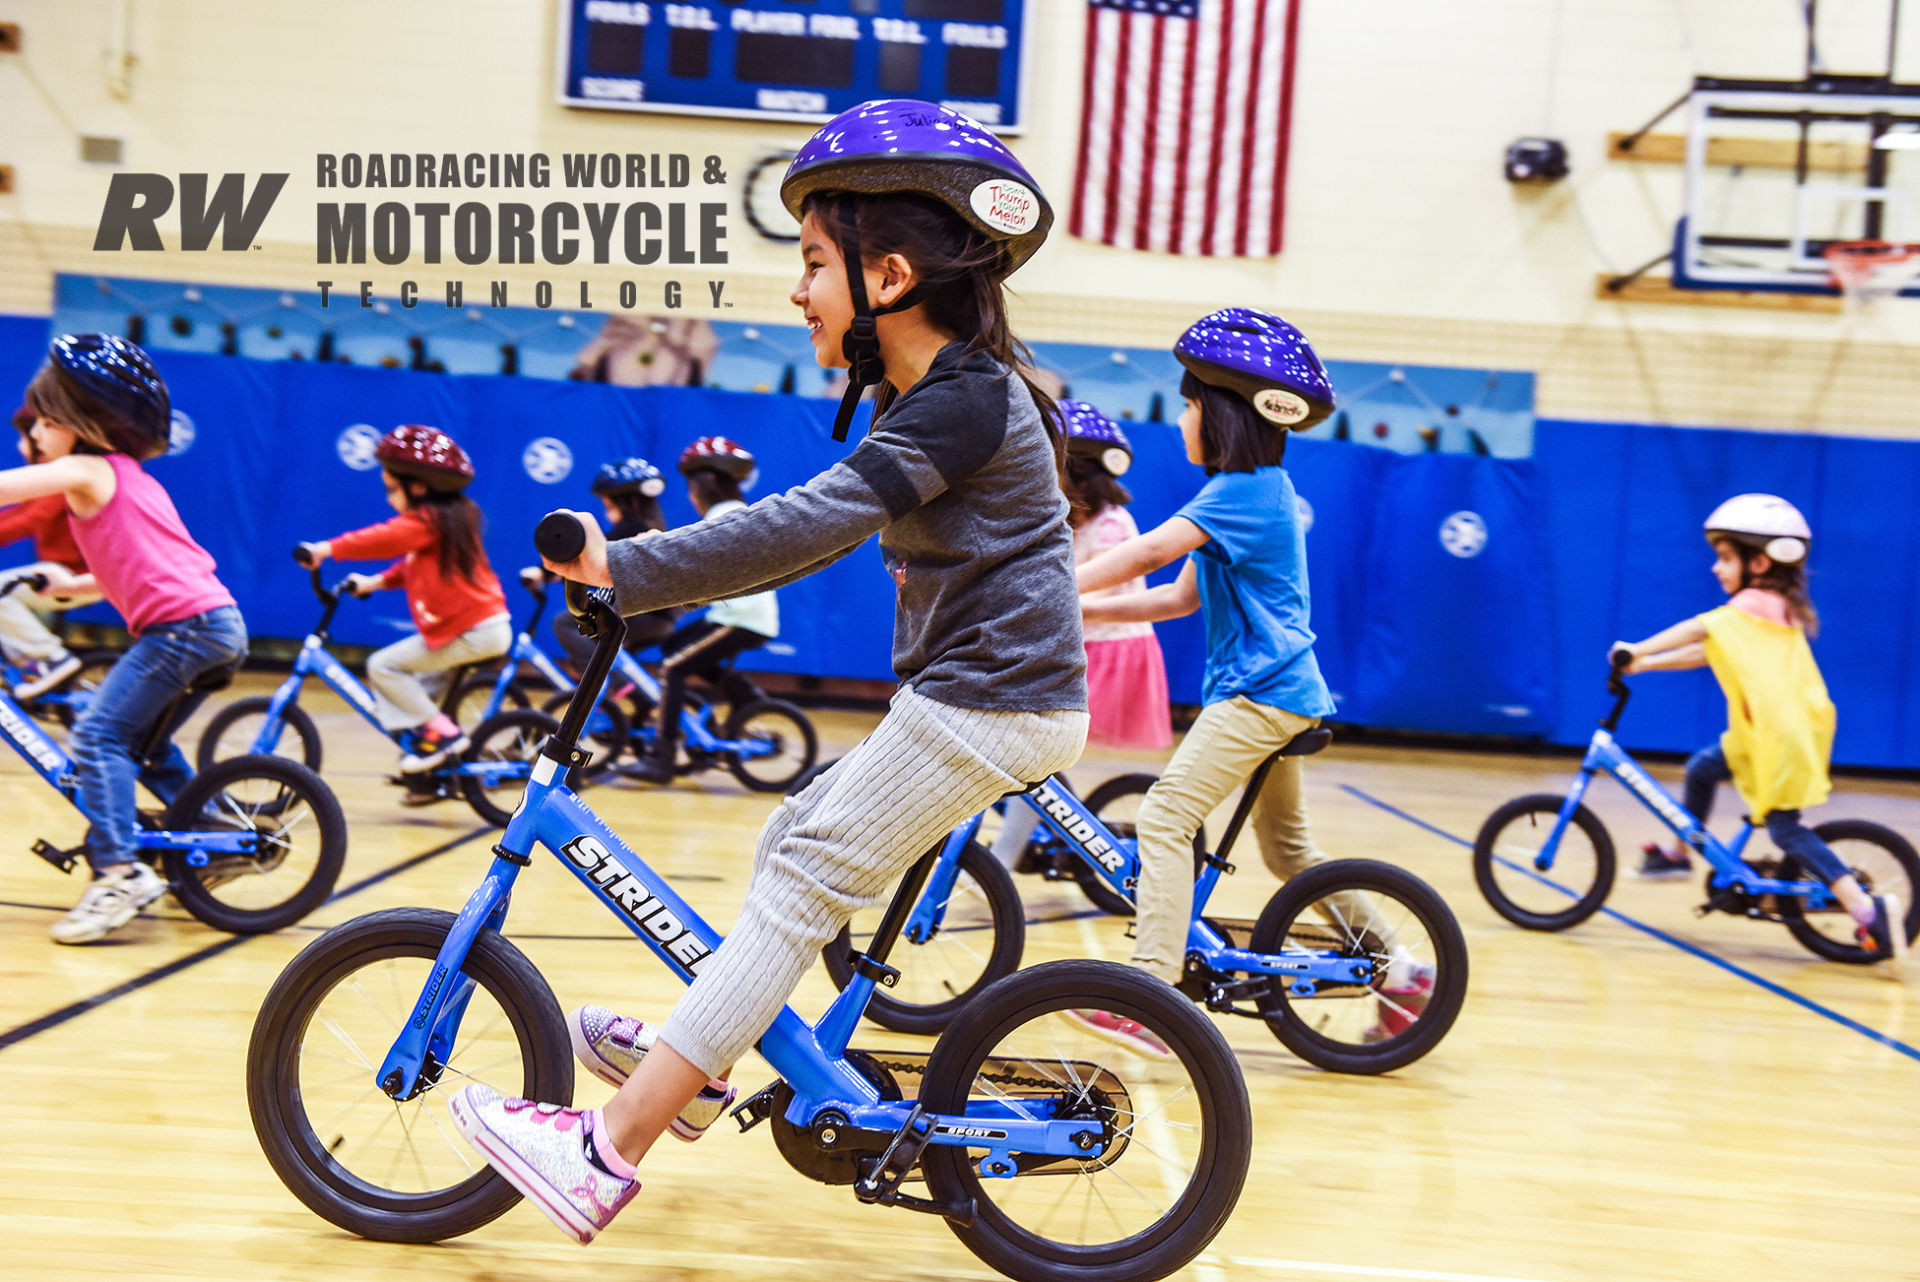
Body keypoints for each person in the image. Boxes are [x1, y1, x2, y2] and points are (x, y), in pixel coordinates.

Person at [447, 98, 1088, 1244]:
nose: (797, 292)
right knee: (787, 838)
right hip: (986, 695)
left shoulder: (969, 396)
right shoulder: (938, 394)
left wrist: (623, 567)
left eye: (811, 265)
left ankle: (605, 1148)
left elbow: (816, 520)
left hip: (992, 699)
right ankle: (705, 1055)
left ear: (888, 276)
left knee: (799, 885)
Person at [1072, 308, 1422, 1053]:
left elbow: (1147, 554)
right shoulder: (1246, 494)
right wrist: (1078, 605)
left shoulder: (1244, 493)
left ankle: (1153, 1000)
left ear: (1223, 414)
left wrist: (1050, 586)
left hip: (1260, 696)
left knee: (1165, 818)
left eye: (1190, 404)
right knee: (1287, 852)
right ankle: (1400, 970)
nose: (1181, 419)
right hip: (1280, 693)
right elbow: (1175, 597)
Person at [0, 334, 247, 943]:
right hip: (213, 621)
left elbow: (12, 488)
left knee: (97, 733)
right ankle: (212, 838)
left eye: (46, 420)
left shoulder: (84, 468)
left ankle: (119, 872)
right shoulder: (128, 478)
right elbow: (144, 570)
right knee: (146, 746)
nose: (37, 434)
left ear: (76, 422)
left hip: (184, 629)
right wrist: (72, 585)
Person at [1612, 494, 1905, 962]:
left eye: (1726, 558)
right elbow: (1707, 650)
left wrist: (1636, 646)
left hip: (1782, 736)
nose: (1715, 568)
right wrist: (1643, 665)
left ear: (1761, 560)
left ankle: (1865, 909)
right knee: (1703, 768)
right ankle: (1678, 853)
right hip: (1763, 734)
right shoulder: (1764, 610)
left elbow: (1698, 631)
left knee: (1785, 830)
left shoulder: (1756, 601)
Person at [990, 399, 1170, 868]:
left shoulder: (1111, 527)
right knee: (1033, 754)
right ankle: (1035, 831)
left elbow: (1072, 596)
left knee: (1035, 755)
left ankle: (1004, 858)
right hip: (1081, 646)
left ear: (1077, 472)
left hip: (1108, 652)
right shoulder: (1073, 519)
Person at [296, 425, 509, 782]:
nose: (388, 499)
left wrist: (326, 549)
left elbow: (386, 539)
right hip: (480, 626)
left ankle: (446, 739)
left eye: (392, 490)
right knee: (419, 695)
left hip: (472, 630)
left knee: (384, 667)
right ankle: (432, 776)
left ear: (419, 486)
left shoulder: (428, 521)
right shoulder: (449, 519)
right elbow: (411, 565)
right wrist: (375, 582)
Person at [624, 436, 781, 783]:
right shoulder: (732, 512)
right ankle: (747, 700)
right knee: (672, 646)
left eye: (689, 488)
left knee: (673, 668)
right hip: (735, 616)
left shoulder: (722, 515)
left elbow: (688, 560)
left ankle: (662, 757)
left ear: (706, 485)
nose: (688, 496)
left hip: (740, 619)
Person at [0, 404, 101, 699]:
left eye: (27, 435)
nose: (23, 443)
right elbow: (17, 514)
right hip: (63, 574)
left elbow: (28, 520)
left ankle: (49, 657)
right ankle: (28, 664)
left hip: (77, 577)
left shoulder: (65, 481)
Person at [541, 457, 677, 673]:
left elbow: (589, 556)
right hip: (658, 619)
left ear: (630, 503)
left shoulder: (632, 527)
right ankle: (634, 697)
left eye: (609, 506)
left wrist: (543, 573)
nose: (607, 514)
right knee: (603, 645)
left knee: (566, 623)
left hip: (644, 616)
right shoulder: (653, 525)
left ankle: (608, 682)